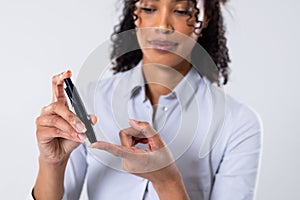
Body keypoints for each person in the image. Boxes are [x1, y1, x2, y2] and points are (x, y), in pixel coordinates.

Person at [31, 0, 262, 199]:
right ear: (136, 15)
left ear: (206, 17)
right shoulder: (91, 100)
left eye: (181, 10)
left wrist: (167, 182)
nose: (162, 26)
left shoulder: (238, 123)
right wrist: (53, 162)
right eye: (150, 8)